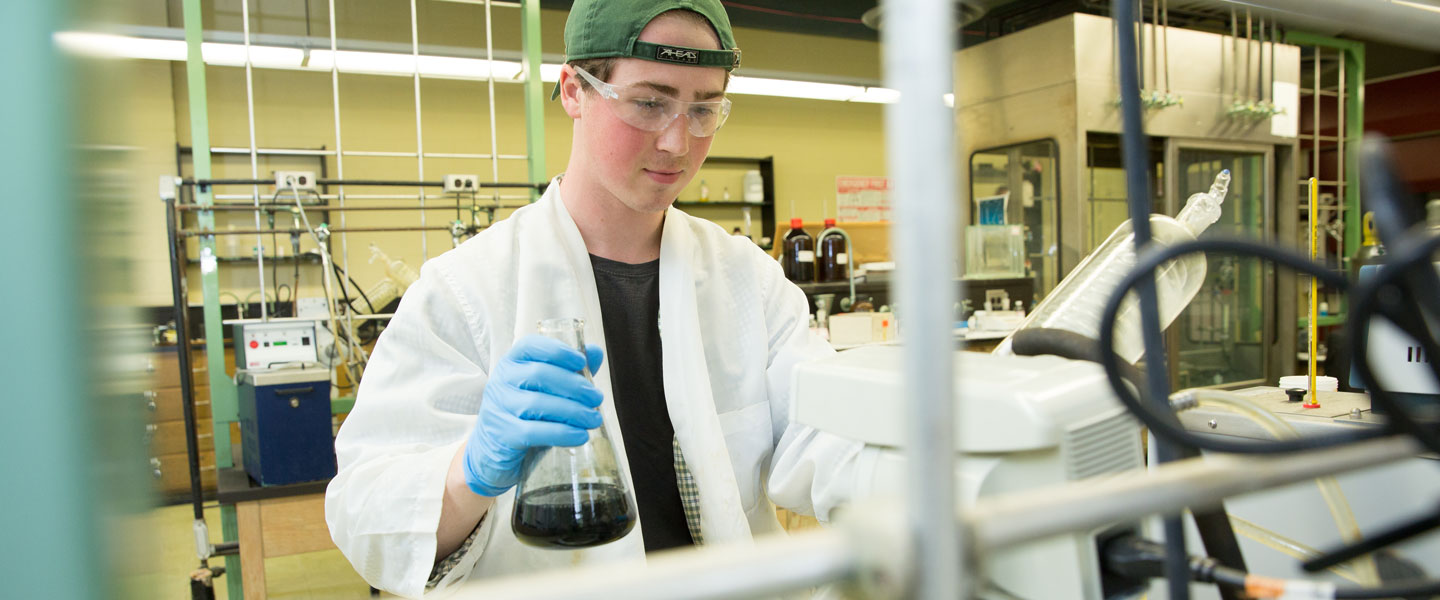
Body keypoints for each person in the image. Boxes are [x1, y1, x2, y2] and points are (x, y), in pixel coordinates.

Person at [324, 0, 863, 597]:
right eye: (650, 103)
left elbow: (830, 439)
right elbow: (367, 515)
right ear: (574, 91)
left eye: (704, 109)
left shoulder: (749, 283)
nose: (677, 142)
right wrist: (469, 473)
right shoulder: (465, 290)